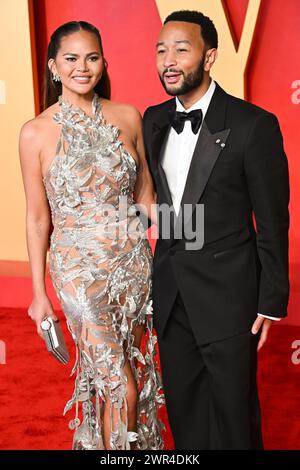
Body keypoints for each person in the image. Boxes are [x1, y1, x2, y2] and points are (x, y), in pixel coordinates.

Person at [142, 10, 289, 449]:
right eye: (161, 50)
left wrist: (271, 299)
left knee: (233, 417)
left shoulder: (252, 124)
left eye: (181, 49)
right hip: (171, 296)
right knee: (185, 415)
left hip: (230, 297)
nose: (168, 60)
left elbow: (273, 219)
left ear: (210, 57)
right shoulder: (152, 120)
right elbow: (161, 210)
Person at [19, 20, 164, 451]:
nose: (83, 67)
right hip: (78, 272)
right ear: (53, 67)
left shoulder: (128, 117)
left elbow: (147, 200)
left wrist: (203, 239)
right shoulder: (35, 132)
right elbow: (36, 217)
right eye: (71, 58)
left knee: (125, 375)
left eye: (92, 57)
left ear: (103, 61)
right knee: (120, 383)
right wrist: (38, 294)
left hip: (133, 268)